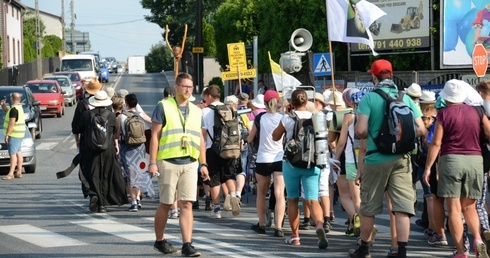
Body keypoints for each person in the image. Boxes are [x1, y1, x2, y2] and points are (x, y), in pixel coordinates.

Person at [349, 59, 426, 258]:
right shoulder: (405, 98)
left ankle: (364, 249)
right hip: (402, 158)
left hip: (376, 159)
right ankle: (401, 251)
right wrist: (400, 138)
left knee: (369, 207)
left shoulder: (369, 98)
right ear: (391, 74)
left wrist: (377, 134)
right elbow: (421, 129)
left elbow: (360, 130)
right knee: (401, 208)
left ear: (374, 76)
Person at [423, 79, 490, 258]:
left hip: (452, 160)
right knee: (470, 207)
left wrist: (428, 168)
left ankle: (461, 252)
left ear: (447, 97)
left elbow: (436, 143)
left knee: (454, 209)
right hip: (476, 161)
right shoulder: (478, 111)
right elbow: (489, 132)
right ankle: (477, 239)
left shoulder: (444, 114)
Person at [148, 72, 209, 257]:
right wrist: (152, 162)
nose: (188, 90)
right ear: (176, 87)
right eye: (184, 86)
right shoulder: (163, 106)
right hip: (168, 161)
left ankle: (187, 245)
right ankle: (159, 240)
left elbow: (200, 139)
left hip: (190, 162)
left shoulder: (197, 110)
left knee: (187, 204)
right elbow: (155, 137)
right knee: (166, 203)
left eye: (190, 87)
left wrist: (203, 164)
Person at [272, 89, 329, 249]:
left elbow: (275, 136)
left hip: (291, 163)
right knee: (312, 199)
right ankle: (319, 225)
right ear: (307, 102)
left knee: (293, 199)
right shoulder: (316, 118)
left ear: (292, 103)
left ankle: (295, 236)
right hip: (312, 163)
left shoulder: (288, 119)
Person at [76, 90, 128, 213]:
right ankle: (103, 204)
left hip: (90, 149)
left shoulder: (87, 115)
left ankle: (94, 194)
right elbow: (114, 131)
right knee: (105, 175)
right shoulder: (110, 115)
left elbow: (78, 128)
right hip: (107, 149)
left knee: (92, 173)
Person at [247, 90, 285, 237]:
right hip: (279, 158)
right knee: (280, 193)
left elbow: (250, 138)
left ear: (264, 103)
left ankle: (261, 224)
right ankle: (279, 227)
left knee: (261, 194)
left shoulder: (260, 118)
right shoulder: (283, 118)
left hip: (263, 159)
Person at [202, 85, 241, 218]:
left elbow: (203, 134)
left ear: (208, 96)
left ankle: (217, 209)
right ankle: (234, 195)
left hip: (212, 148)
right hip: (230, 147)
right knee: (229, 176)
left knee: (214, 179)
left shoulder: (205, 111)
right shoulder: (230, 109)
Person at [334, 88, 363, 237]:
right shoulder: (369, 115)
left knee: (349, 196)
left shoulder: (348, 117)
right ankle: (353, 225)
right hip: (368, 159)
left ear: (351, 102)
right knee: (365, 196)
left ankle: (360, 223)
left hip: (351, 159)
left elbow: (342, 142)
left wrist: (336, 158)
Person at [117, 94, 151, 212]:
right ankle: (138, 198)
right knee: (139, 173)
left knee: (129, 175)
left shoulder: (121, 117)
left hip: (127, 148)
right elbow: (150, 125)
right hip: (140, 147)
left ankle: (134, 202)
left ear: (126, 103)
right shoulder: (141, 115)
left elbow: (117, 135)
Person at [1, 93, 25, 180]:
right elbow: (7, 111)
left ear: (12, 99)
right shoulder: (19, 108)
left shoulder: (14, 109)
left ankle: (11, 173)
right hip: (20, 134)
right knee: (18, 152)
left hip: (14, 134)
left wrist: (7, 134)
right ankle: (19, 172)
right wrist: (3, 106)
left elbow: (12, 122)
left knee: (12, 154)